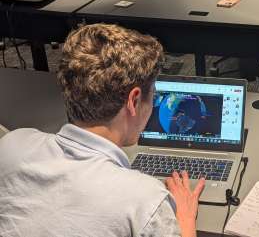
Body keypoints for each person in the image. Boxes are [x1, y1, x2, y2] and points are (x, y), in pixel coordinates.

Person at [0, 24, 205, 237]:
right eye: (152, 94)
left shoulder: (12, 145)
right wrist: (185, 216)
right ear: (133, 101)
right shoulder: (145, 201)